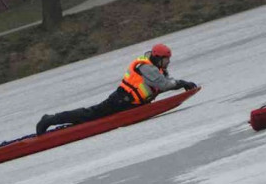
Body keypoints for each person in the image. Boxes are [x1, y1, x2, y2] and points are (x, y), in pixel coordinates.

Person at [36, 44, 197, 134]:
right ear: (158, 58)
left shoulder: (157, 68)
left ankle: (52, 119)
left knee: (90, 115)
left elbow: (164, 83)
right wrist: (182, 83)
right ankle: (50, 119)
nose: (168, 62)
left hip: (133, 103)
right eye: (166, 59)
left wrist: (181, 84)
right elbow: (164, 85)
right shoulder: (146, 67)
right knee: (90, 115)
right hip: (121, 100)